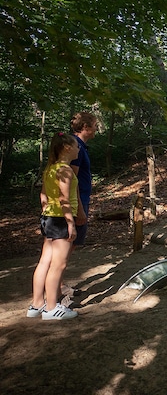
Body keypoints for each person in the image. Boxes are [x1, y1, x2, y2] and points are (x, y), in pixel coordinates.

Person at [27, 133, 80, 320]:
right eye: (76, 146)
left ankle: (36, 304)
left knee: (44, 262)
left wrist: (47, 211)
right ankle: (51, 308)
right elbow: (65, 200)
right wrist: (70, 223)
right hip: (60, 221)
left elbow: (43, 196)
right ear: (67, 148)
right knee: (58, 264)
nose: (78, 148)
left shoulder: (50, 169)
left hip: (49, 218)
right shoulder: (65, 170)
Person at [61, 112, 98, 299]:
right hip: (77, 202)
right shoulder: (76, 147)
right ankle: (58, 286)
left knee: (71, 245)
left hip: (80, 200)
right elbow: (71, 179)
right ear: (85, 127)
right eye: (95, 124)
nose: (97, 128)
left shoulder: (81, 147)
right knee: (68, 245)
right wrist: (80, 209)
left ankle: (58, 283)